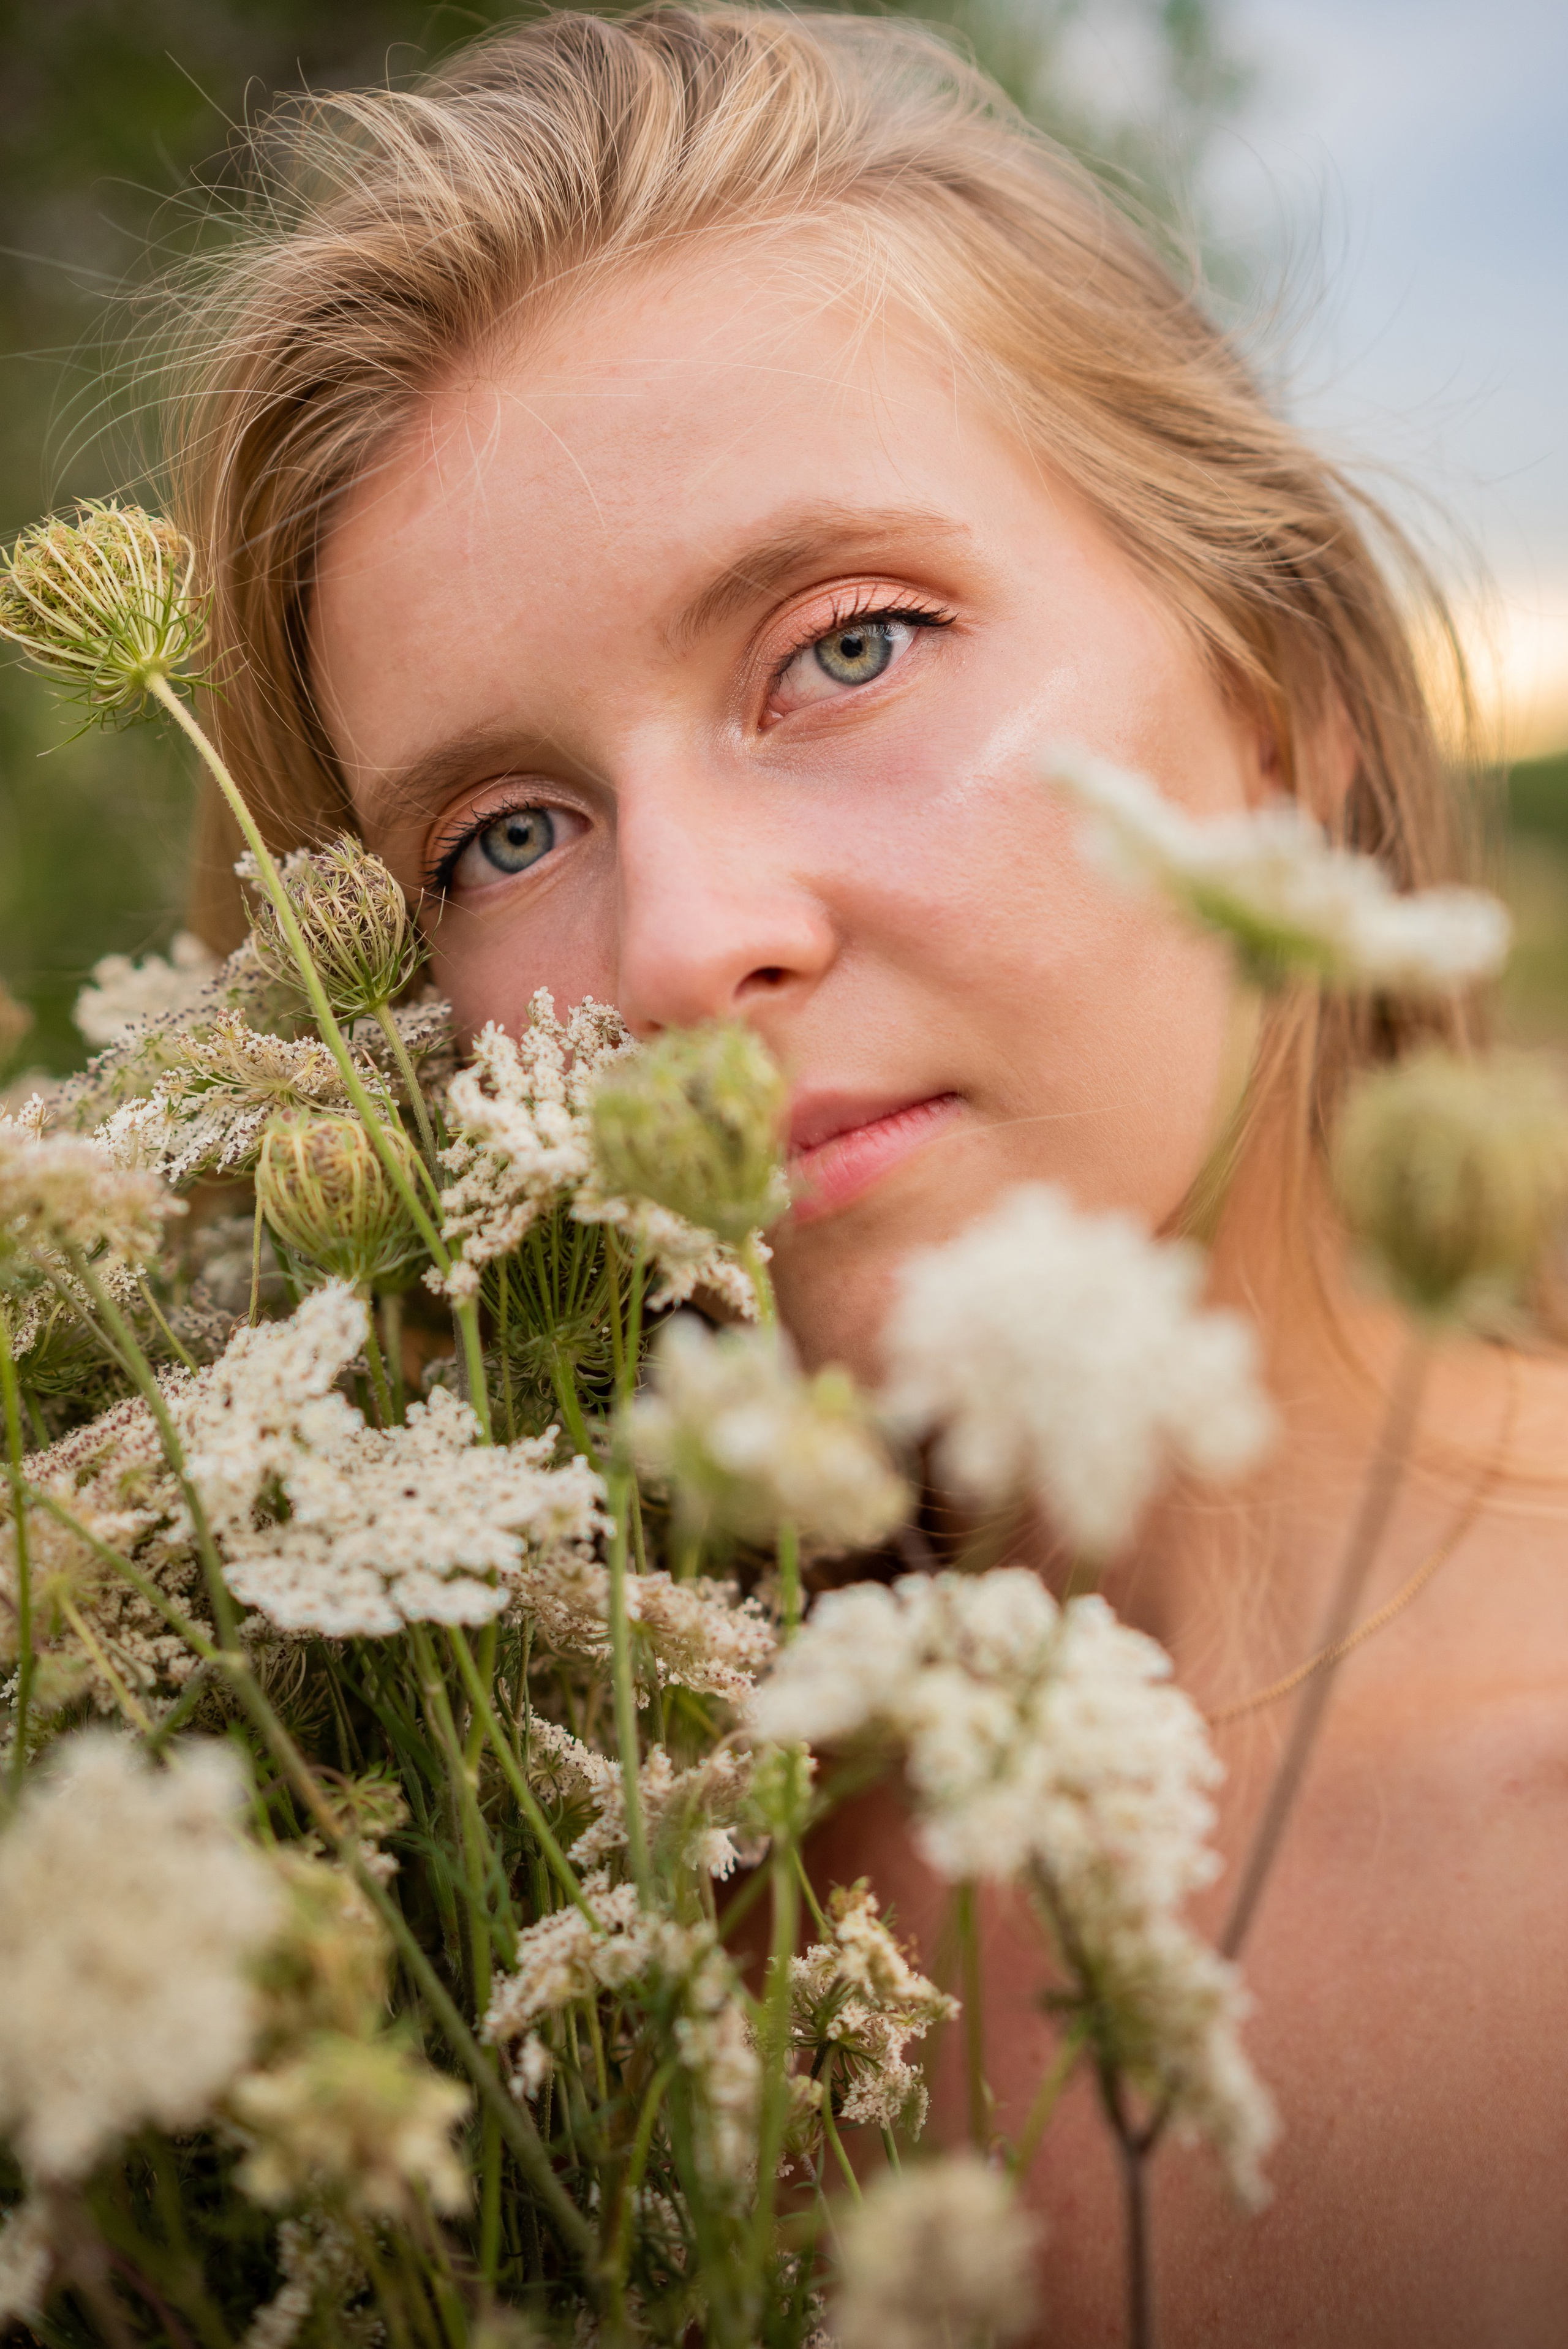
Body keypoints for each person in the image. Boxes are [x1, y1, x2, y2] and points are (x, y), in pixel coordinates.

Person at [170, 11, 1568, 2339]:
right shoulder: (488, 1947)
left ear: (1277, 700)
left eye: (848, 646)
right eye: (501, 835)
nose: (685, 940)